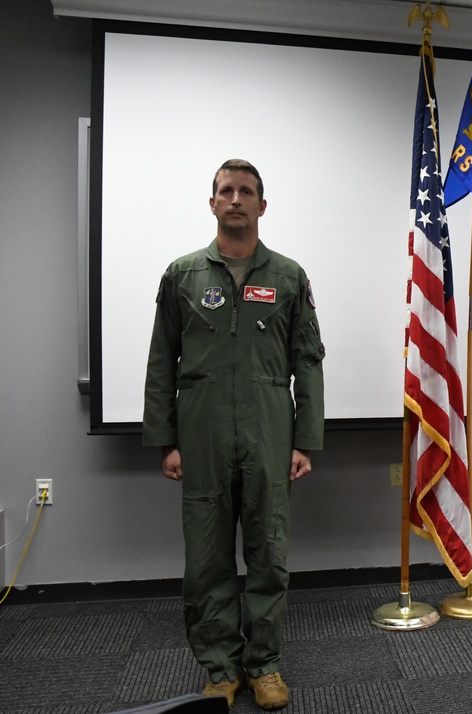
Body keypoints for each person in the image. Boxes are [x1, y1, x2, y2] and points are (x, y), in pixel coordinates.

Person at [143, 159, 326, 708]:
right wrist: (167, 439)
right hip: (201, 433)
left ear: (262, 205)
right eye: (226, 190)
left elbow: (308, 362)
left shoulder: (289, 276)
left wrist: (304, 440)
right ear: (213, 202)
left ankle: (265, 665)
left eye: (247, 191)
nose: (236, 199)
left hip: (269, 430)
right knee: (206, 559)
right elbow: (160, 361)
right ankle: (221, 669)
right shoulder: (183, 275)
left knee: (268, 553)